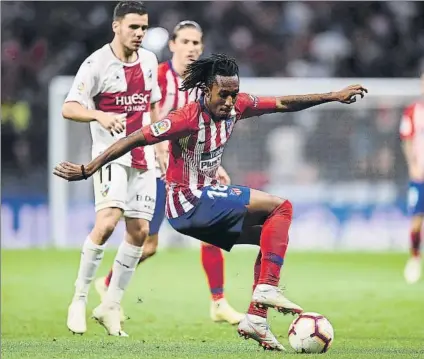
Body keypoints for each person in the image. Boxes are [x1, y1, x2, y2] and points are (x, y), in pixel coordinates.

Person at [54, 54, 368, 350]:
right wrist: (88, 168)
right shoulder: (186, 117)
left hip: (200, 204)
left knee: (270, 238)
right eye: (223, 95)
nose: (230, 101)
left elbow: (284, 102)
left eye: (234, 94)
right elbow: (135, 137)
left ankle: (256, 317)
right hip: (187, 202)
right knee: (282, 207)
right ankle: (267, 288)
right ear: (207, 90)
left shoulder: (238, 105)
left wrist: (333, 95)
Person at [95, 21, 244, 325]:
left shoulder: (205, 84)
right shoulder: (158, 76)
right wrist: (158, 149)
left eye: (196, 43)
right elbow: (142, 117)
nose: (192, 48)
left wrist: (216, 165)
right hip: (153, 166)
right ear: (173, 45)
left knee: (211, 229)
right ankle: (108, 284)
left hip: (187, 169)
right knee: (148, 244)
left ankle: (218, 301)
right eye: (186, 42)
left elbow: (204, 129)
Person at [61, 1, 166, 336]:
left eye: (144, 28)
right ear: (116, 26)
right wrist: (99, 115)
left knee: (139, 233)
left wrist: (160, 142)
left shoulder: (149, 60)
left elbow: (152, 104)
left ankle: (110, 304)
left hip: (144, 158)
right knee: (107, 223)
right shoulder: (96, 63)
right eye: (133, 27)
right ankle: (78, 299)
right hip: (110, 156)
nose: (139, 34)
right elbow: (69, 106)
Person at [400, 72, 424, 284]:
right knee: (416, 222)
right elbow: (407, 141)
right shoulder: (413, 111)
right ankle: (415, 259)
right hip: (420, 176)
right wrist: (413, 166)